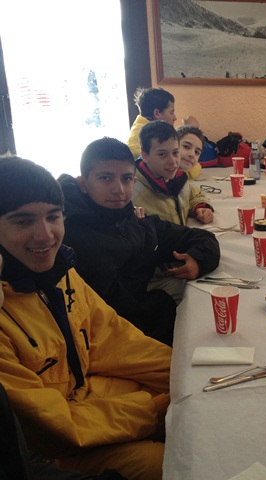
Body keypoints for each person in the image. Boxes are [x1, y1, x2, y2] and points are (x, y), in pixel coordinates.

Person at [0, 155, 171, 480]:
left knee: (196, 396)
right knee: (165, 461)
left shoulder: (60, 272)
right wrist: (156, 412)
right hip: (50, 449)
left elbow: (114, 338)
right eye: (23, 221)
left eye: (53, 217)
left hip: (85, 395)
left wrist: (181, 373)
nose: (45, 235)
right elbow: (49, 426)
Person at [58, 137, 221, 346]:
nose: (118, 189)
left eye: (126, 178)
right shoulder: (66, 237)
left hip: (143, 321)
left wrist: (198, 260)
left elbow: (202, 237)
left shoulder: (137, 222)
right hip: (106, 339)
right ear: (83, 184)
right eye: (106, 178)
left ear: (134, 181)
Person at [133, 120, 214, 225]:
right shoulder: (133, 193)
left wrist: (200, 207)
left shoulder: (179, 178)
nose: (172, 161)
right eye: (162, 154)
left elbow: (193, 195)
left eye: (175, 152)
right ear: (145, 156)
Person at [126, 87, 177, 159]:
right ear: (157, 113)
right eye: (171, 113)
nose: (175, 118)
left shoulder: (139, 127)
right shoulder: (148, 135)